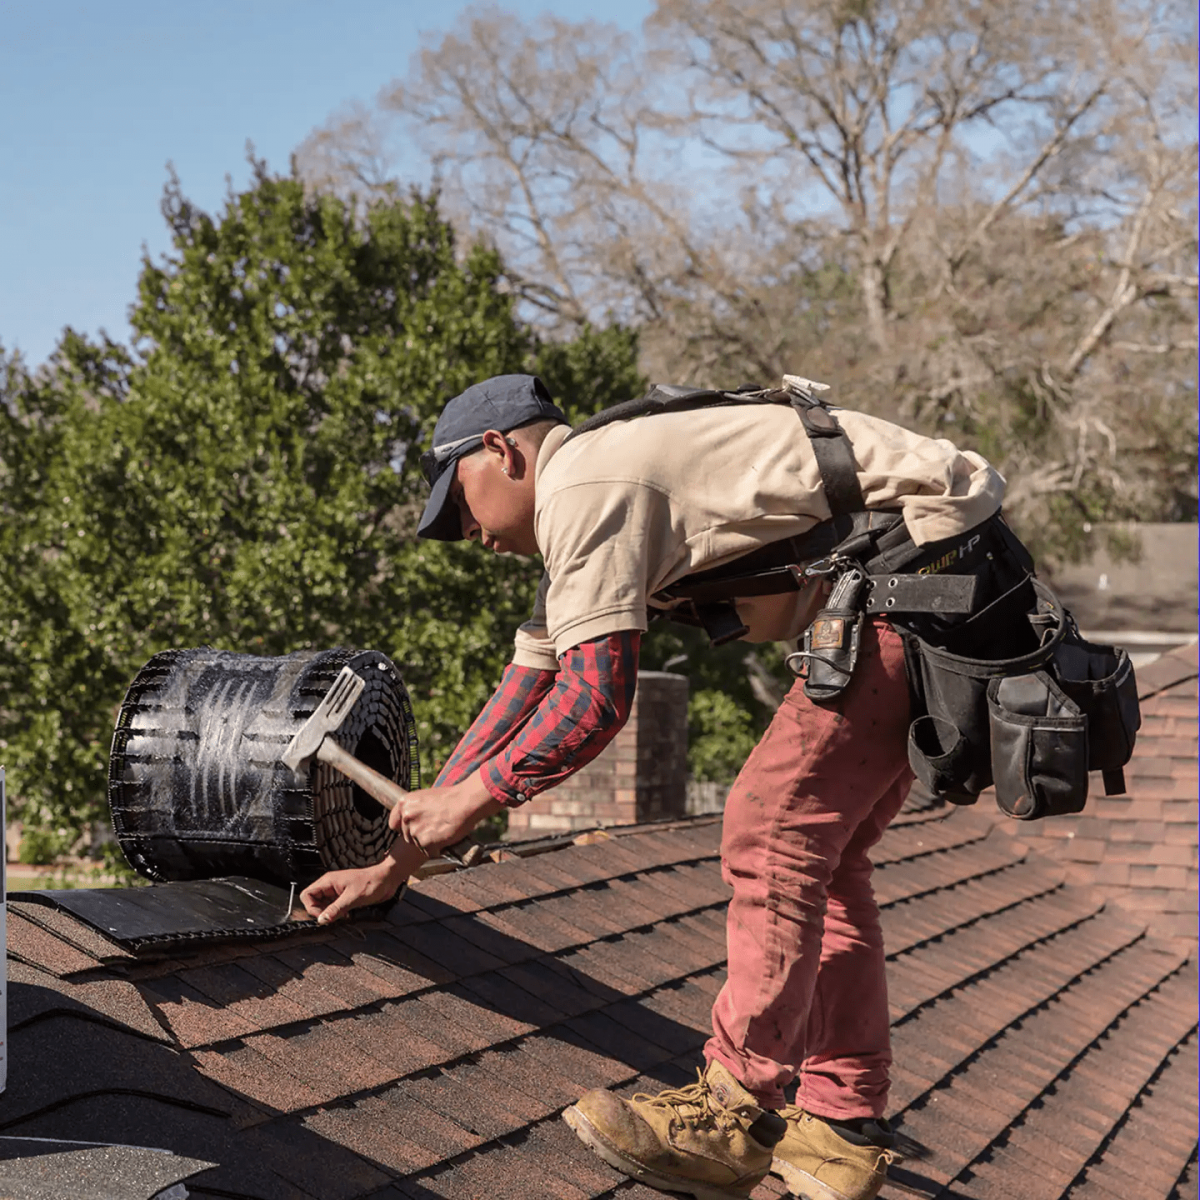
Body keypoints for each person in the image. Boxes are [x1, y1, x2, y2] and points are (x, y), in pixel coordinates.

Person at [300, 372, 1012, 1200]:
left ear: (501, 451)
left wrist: (469, 802)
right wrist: (394, 862)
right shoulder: (591, 497)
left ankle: (732, 1115)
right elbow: (523, 693)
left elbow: (594, 701)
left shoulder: (587, 488)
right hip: (949, 584)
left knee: (770, 830)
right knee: (825, 856)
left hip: (920, 582)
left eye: (459, 505)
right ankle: (842, 1131)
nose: (466, 534)